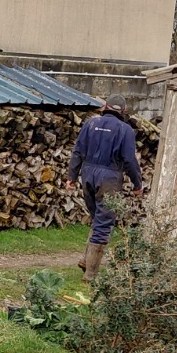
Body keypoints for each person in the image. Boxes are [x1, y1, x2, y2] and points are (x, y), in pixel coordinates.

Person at [66, 95, 144, 279]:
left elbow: (78, 151)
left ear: (105, 107)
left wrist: (71, 176)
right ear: (123, 111)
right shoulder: (125, 130)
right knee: (104, 223)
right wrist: (137, 183)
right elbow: (129, 160)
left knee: (97, 218)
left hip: (87, 174)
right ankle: (91, 275)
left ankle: (86, 260)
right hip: (109, 177)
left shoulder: (90, 124)